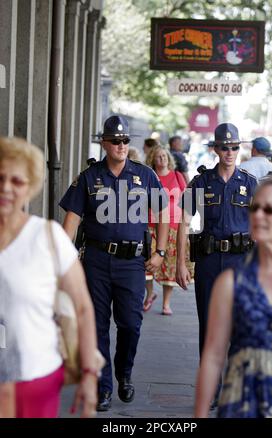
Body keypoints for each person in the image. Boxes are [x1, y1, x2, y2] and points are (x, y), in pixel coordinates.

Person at [59, 115, 169, 411]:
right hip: (95, 261)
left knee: (131, 324)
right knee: (96, 326)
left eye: (125, 141)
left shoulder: (145, 175)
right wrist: (61, 260)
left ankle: (124, 372)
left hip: (132, 263)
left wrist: (160, 252)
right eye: (115, 141)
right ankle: (104, 386)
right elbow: (72, 219)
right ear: (104, 143)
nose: (121, 145)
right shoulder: (88, 177)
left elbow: (162, 215)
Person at [0, 137, 98, 418]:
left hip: (35, 376)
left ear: (30, 188)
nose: (6, 187)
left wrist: (90, 374)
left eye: (17, 181)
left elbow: (82, 307)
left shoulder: (48, 238)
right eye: (0, 178)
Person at [195, 176, 272, 418]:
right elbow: (212, 356)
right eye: (254, 207)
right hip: (240, 406)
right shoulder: (231, 283)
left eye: (270, 209)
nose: (259, 215)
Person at [176, 123, 257, 405]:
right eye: (225, 147)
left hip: (240, 262)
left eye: (235, 147)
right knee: (209, 325)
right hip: (210, 260)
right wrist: (180, 263)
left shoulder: (249, 183)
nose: (230, 152)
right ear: (215, 149)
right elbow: (183, 223)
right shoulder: (200, 183)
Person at [143, 146, 194, 315]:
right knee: (147, 264)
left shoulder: (177, 176)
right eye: (158, 156)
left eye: (164, 156)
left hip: (173, 225)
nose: (162, 159)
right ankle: (149, 294)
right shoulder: (150, 177)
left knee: (170, 267)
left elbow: (187, 199)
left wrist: (186, 221)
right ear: (153, 159)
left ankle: (166, 303)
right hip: (151, 224)